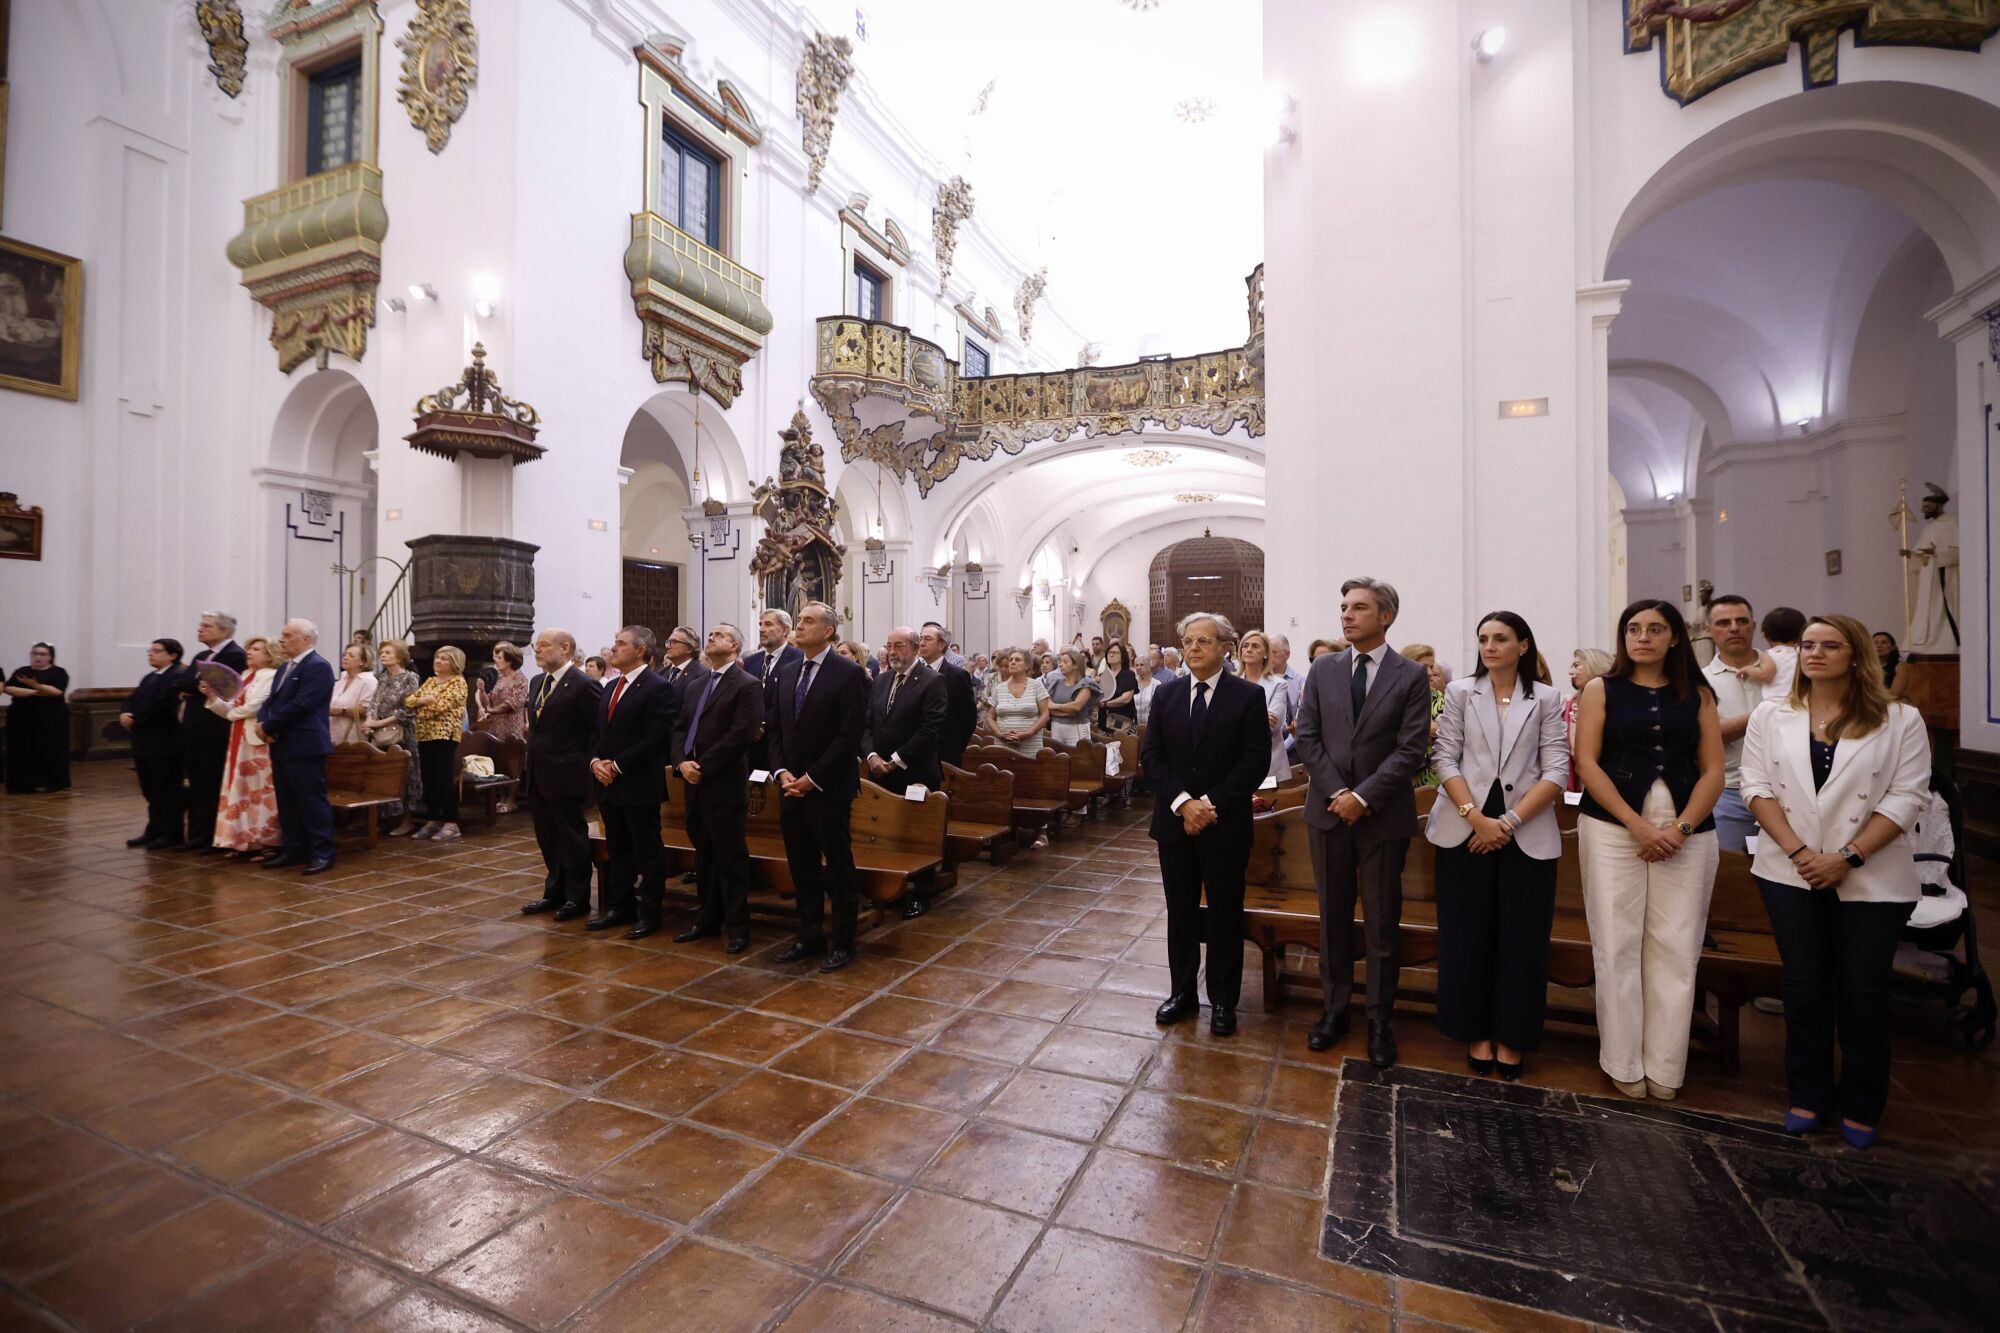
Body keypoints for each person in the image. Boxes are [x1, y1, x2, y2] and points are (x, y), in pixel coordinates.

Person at [1740, 613, 1932, 1149]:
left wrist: (1847, 856)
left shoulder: (1900, 719)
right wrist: (1802, 852)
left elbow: (1908, 796)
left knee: (1864, 990)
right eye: (1808, 645)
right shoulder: (1771, 714)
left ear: (1856, 655)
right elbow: (1755, 786)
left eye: (1830, 645)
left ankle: (1863, 1102)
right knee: (1804, 987)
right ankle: (1807, 1093)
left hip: (1872, 875)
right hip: (1790, 869)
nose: (1815, 654)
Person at [1573, 598, 1724, 1101]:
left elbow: (1713, 770)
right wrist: (1637, 825)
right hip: (1614, 827)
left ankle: (1665, 1064)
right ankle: (1622, 1059)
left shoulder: (1698, 694)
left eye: (1655, 629)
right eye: (1634, 629)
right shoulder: (1602, 689)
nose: (1643, 637)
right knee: (1616, 943)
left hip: (1688, 829)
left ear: (1674, 637)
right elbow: (1587, 763)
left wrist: (1681, 828)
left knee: (1676, 946)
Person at [1295, 578, 1432, 1066]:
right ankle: (1334, 1011)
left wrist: (1364, 796)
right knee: (1333, 917)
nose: (1347, 615)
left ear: (1386, 616)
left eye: (1359, 608)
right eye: (1344, 607)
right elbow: (1307, 736)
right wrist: (1339, 792)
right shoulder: (1323, 668)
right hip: (1329, 812)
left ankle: (1379, 1019)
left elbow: (1411, 748)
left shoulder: (1409, 675)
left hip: (1382, 815)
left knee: (1380, 920)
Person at [1428, 612, 1570, 1080]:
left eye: (1501, 638)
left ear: (1523, 646)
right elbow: (1444, 757)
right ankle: (1474, 1032)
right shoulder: (1460, 692)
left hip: (1524, 829)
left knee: (1522, 940)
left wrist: (1506, 822)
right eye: (1483, 639)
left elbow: (1556, 768)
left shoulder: (1546, 697)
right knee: (1466, 936)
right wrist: (1475, 817)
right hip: (1464, 826)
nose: (1490, 646)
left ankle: (1513, 1036)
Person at [1142, 612, 1271, 1038]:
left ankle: (1222, 1001)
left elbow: (1254, 762)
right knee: (1180, 911)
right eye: (1188, 641)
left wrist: (1209, 804)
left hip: (1225, 823)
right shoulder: (1167, 695)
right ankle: (1181, 993)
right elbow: (1152, 757)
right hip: (1175, 823)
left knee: (1224, 914)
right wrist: (1183, 804)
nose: (1193, 648)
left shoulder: (1247, 696)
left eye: (1204, 641)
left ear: (1225, 648)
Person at [770, 602, 870, 971]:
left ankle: (843, 942)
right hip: (790, 787)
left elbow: (848, 734)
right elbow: (776, 729)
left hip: (828, 788)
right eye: (799, 620)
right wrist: (782, 771)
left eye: (808, 621)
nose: (800, 625)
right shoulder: (787, 671)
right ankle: (809, 935)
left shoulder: (848, 673)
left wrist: (812, 778)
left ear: (828, 631)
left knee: (838, 866)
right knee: (802, 867)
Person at [673, 623, 764, 953]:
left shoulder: (747, 684)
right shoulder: (696, 684)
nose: (711, 637)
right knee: (704, 855)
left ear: (735, 646)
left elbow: (741, 734)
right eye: (710, 634)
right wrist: (681, 762)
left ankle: (738, 927)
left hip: (723, 783)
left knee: (731, 858)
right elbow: (680, 728)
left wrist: (703, 766)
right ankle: (707, 919)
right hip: (693, 782)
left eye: (720, 635)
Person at [590, 625, 678, 939]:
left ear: (640, 651)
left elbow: (657, 736)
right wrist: (595, 761)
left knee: (647, 850)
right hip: (608, 782)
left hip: (638, 782)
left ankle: (650, 913)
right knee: (618, 848)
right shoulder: (611, 686)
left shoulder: (657, 687)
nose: (613, 648)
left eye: (620, 643)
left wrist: (617, 765)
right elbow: (598, 732)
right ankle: (621, 906)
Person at [519, 629, 603, 922]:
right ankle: (554, 891)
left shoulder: (584, 684)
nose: (537, 650)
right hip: (539, 772)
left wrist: (589, 763)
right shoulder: (537, 681)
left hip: (568, 772)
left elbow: (597, 730)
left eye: (543, 645)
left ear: (564, 648)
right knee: (547, 836)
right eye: (536, 645)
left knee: (571, 837)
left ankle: (577, 898)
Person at [255, 620, 337, 874]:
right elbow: (271, 701)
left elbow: (303, 703)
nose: (282, 639)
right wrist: (263, 722)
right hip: (282, 742)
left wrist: (269, 725)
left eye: (288, 635)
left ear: (306, 639)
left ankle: (322, 853)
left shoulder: (318, 666)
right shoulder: (285, 667)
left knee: (311, 801)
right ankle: (294, 848)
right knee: (287, 800)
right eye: (283, 634)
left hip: (305, 743)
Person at [205, 635, 281, 859]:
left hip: (256, 739)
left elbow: (257, 705)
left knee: (259, 790)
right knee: (240, 787)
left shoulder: (272, 676)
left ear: (270, 655)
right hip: (238, 737)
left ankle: (266, 841)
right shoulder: (245, 675)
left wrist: (232, 713)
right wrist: (212, 697)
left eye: (256, 649)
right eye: (249, 648)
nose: (249, 652)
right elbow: (230, 707)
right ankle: (242, 840)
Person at [174, 613, 246, 848]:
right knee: (196, 782)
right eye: (201, 624)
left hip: (215, 729)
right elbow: (181, 682)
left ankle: (211, 836)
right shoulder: (202, 656)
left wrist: (195, 687)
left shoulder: (235, 655)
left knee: (212, 783)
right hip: (193, 727)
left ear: (224, 631)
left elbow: (226, 689)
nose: (200, 629)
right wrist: (198, 686)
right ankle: (196, 833)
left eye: (207, 626)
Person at [1701, 596, 1763, 853]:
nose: (1734, 628)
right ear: (1709, 630)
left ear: (1754, 626)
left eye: (1742, 621)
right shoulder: (1700, 681)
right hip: (1728, 793)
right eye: (1724, 623)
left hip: (1787, 793)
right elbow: (1707, 735)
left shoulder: (1785, 672)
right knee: (1731, 870)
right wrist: (1765, 714)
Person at [863, 626, 947, 795]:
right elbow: (867, 722)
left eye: (899, 646)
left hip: (914, 773)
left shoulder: (932, 680)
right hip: (878, 772)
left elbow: (929, 728)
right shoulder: (881, 680)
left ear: (916, 648)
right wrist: (871, 755)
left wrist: (896, 760)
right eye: (889, 646)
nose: (892, 652)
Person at [122, 638, 185, 847]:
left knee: (166, 789)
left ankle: (171, 833)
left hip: (164, 741)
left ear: (173, 655)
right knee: (150, 788)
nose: (151, 654)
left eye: (157, 651)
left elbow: (161, 704)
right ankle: (154, 829)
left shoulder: (176, 676)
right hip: (144, 740)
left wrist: (135, 718)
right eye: (150, 650)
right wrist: (124, 712)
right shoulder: (150, 676)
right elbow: (132, 698)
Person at [406, 647, 470, 842]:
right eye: (437, 657)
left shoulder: (458, 682)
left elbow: (439, 707)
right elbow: (408, 701)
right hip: (424, 734)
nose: (438, 661)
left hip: (444, 735)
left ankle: (451, 822)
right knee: (428, 778)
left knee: (443, 778)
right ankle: (433, 819)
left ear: (454, 663)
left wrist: (420, 705)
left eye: (444, 659)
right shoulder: (430, 681)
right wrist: (423, 701)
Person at [364, 641, 423, 834]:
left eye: (388, 652)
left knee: (404, 776)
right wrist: (369, 720)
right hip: (380, 732)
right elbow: (373, 703)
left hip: (402, 733)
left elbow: (408, 709)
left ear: (399, 657)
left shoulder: (410, 678)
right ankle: (386, 817)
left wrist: (380, 723)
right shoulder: (381, 678)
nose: (383, 655)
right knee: (383, 775)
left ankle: (407, 819)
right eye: (382, 652)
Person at [4, 643, 72, 795]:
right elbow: (8, 688)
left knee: (49, 748)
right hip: (22, 718)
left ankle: (51, 782)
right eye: (35, 653)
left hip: (51, 719)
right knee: (22, 749)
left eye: (42, 654)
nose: (38, 657)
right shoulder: (22, 671)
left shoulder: (58, 672)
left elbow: (56, 692)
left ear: (50, 657)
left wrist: (33, 685)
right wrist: (35, 692)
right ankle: (21, 783)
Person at [742, 608, 803, 771]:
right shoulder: (751, 661)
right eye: (760, 624)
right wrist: (751, 724)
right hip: (750, 744)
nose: (761, 629)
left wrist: (764, 724)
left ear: (785, 630)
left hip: (782, 743)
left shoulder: (799, 659)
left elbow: (794, 700)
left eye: (768, 624)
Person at [1236, 630, 1294, 784]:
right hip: (1235, 764)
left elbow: (1271, 726)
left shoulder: (1279, 684)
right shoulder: (1229, 683)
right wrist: (1258, 717)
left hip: (1270, 764)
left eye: (1255, 646)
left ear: (1266, 654)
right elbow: (1220, 725)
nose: (1249, 649)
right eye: (1245, 646)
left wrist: (1236, 719)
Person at [919, 622, 976, 769]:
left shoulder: (958, 675)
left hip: (946, 752)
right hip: (917, 752)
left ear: (941, 645)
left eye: (928, 639)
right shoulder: (915, 673)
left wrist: (955, 747)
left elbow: (968, 717)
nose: (922, 643)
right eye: (920, 638)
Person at [1561, 648, 1614, 793]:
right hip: (1573, 787)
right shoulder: (1565, 705)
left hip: (1610, 783)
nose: (1570, 672)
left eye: (1576, 665)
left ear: (1595, 664)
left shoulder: (1616, 704)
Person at [1398, 644, 1450, 787]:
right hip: (1398, 773)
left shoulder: (1437, 697)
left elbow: (1449, 731)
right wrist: (1425, 729)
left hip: (1432, 774)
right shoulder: (1392, 695)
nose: (1429, 672)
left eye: (1431, 667)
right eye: (1424, 666)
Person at [985, 648, 1051, 758]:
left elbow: (1045, 714)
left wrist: (1029, 733)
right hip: (1003, 745)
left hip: (1030, 745)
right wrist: (999, 734)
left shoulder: (1036, 686)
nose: (1013, 662)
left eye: (1017, 660)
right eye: (1011, 660)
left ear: (1027, 666)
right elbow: (990, 717)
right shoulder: (999, 688)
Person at [1737, 606, 1804, 703]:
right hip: (1798, 702)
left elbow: (1765, 675)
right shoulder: (1801, 654)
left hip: (1775, 702)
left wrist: (1748, 669)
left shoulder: (1770, 655)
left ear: (1765, 635)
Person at [477, 642, 529, 744]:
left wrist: (491, 710)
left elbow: (511, 703)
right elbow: (487, 702)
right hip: (494, 728)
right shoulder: (497, 678)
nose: (495, 660)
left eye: (499, 658)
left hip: (512, 729)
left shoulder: (520, 679)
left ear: (509, 660)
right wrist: (482, 690)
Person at [1046, 649, 1099, 747]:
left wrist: (1055, 706)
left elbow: (1076, 706)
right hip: (1056, 727)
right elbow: (1048, 706)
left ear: (1076, 665)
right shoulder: (1056, 683)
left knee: (1078, 755)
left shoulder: (1085, 683)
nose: (1060, 665)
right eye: (1060, 661)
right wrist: (1067, 711)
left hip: (1076, 728)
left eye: (1065, 662)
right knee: (1055, 755)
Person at [329, 643, 379, 745]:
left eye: (351, 656)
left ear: (362, 661)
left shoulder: (368, 681)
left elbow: (367, 709)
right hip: (332, 734)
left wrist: (341, 710)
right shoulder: (342, 679)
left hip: (353, 738)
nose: (345, 658)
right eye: (345, 654)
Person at [1098, 641, 1140, 733]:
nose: (1111, 655)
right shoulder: (1102, 676)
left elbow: (1126, 698)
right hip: (1104, 720)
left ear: (1122, 657)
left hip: (1123, 721)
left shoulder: (1129, 675)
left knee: (1122, 741)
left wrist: (1105, 704)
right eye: (1109, 652)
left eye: (1115, 652)